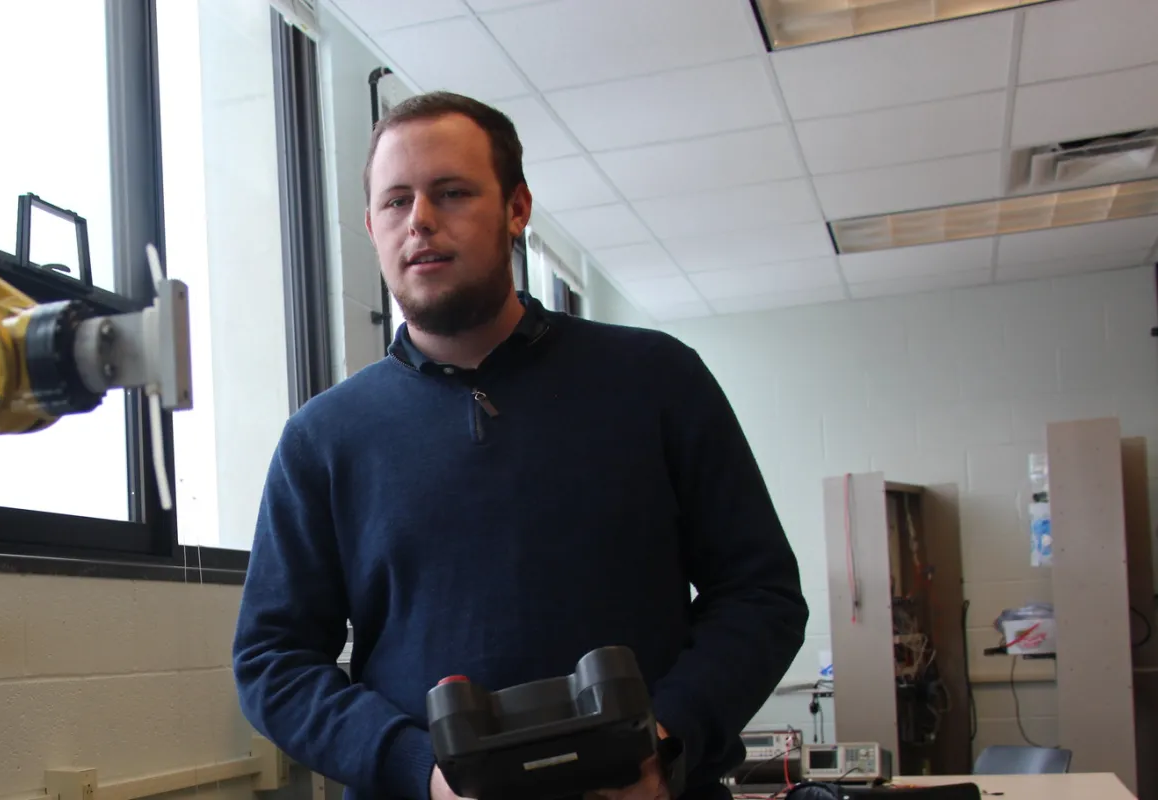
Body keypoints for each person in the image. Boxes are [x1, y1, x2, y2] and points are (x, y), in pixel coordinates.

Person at [230, 91, 809, 800]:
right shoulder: (322, 439)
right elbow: (273, 659)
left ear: (516, 209)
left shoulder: (657, 379)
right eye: (396, 201)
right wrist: (420, 771)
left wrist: (670, 738)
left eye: (452, 192)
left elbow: (760, 594)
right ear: (372, 226)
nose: (420, 221)